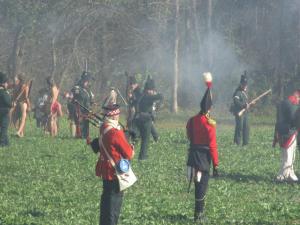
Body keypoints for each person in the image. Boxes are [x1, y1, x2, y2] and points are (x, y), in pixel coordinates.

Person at [186, 72, 219, 223]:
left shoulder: (192, 120)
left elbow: (189, 135)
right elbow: (212, 146)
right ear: (209, 108)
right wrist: (216, 165)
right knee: (202, 185)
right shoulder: (209, 124)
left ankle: (198, 213)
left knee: (197, 184)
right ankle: (199, 215)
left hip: (193, 156)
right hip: (204, 159)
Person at [95, 104, 134, 225]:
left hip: (106, 171)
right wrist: (131, 146)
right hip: (115, 172)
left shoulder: (103, 128)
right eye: (117, 114)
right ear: (115, 115)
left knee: (106, 204)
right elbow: (128, 154)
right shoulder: (115, 132)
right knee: (114, 208)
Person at [273, 90, 300, 182]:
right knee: (288, 156)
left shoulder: (282, 103)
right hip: (290, 132)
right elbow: (294, 119)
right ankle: (282, 177)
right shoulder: (293, 105)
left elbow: (278, 120)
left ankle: (290, 174)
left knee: (287, 155)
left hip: (282, 132)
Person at [135, 77, 163, 160]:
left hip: (140, 119)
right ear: (149, 89)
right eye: (152, 90)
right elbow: (161, 96)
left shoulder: (142, 95)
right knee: (145, 140)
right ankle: (142, 157)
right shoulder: (148, 97)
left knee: (141, 138)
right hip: (145, 120)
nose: (152, 91)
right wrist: (160, 102)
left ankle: (156, 137)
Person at [70, 71, 94, 139]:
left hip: (86, 110)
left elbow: (91, 98)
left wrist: (92, 103)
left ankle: (85, 136)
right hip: (79, 110)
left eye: (88, 81)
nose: (87, 82)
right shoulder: (77, 88)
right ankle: (78, 136)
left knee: (86, 124)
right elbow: (71, 96)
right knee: (79, 124)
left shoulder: (88, 90)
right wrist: (70, 97)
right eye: (86, 81)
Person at [232, 73, 253, 146]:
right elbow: (236, 101)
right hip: (240, 113)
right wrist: (243, 105)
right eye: (244, 84)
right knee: (239, 128)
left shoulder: (245, 93)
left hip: (246, 113)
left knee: (246, 128)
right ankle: (237, 143)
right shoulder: (237, 92)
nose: (245, 86)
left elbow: (246, 103)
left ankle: (245, 144)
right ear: (241, 84)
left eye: (246, 85)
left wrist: (250, 104)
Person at [10, 73, 31, 137]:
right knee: (23, 118)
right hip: (23, 103)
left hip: (17, 103)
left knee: (17, 117)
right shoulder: (25, 86)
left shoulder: (16, 86)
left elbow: (13, 96)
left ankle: (21, 133)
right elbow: (26, 97)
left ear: (19, 79)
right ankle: (19, 132)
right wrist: (29, 105)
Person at [0, 72, 13, 147]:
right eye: (6, 83)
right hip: (4, 113)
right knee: (4, 128)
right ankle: (2, 143)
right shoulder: (4, 92)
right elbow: (8, 103)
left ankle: (7, 144)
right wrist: (12, 103)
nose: (7, 84)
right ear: (3, 83)